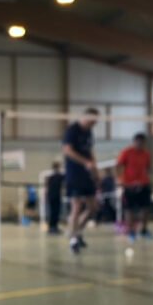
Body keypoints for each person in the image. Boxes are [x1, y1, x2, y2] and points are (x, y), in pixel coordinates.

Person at [63, 108, 100, 254]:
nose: (93, 124)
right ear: (85, 117)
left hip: (87, 175)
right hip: (74, 174)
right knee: (76, 207)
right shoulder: (72, 130)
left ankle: (77, 232)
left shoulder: (89, 133)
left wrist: (95, 170)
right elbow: (67, 150)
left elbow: (90, 152)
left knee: (92, 208)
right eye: (92, 121)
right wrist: (85, 162)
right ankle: (73, 240)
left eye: (95, 122)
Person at [117, 132, 153, 241]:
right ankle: (131, 231)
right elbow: (118, 166)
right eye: (138, 142)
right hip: (128, 185)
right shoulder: (126, 152)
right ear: (134, 142)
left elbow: (148, 168)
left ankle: (144, 230)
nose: (140, 145)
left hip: (143, 184)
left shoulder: (147, 154)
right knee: (129, 209)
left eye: (142, 143)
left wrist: (144, 179)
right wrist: (120, 180)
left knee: (145, 208)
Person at [45, 162, 64, 235]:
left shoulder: (51, 177)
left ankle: (54, 227)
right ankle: (52, 228)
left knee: (55, 212)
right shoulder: (57, 176)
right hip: (54, 197)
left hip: (54, 197)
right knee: (54, 213)